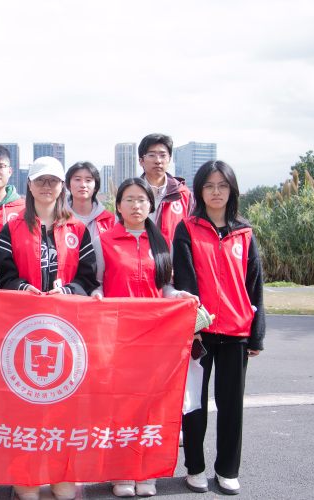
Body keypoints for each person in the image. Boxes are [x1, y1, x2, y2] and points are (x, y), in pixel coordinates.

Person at [0, 156, 98, 500]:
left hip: (67, 332)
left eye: (53, 181)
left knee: (64, 406)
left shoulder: (78, 229)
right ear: (29, 185)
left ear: (62, 186)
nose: (46, 186)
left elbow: (88, 278)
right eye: (40, 180)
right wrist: (23, 288)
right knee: (23, 405)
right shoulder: (11, 228)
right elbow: (2, 274)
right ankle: (25, 475)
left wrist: (67, 291)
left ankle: (61, 473)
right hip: (21, 331)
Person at [92, 177, 198, 497]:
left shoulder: (162, 241)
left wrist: (179, 296)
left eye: (141, 200)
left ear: (151, 206)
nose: (135, 205)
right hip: (118, 336)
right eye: (129, 199)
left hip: (155, 338)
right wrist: (97, 296)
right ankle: (122, 472)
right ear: (118, 206)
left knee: (153, 405)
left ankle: (147, 472)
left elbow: (165, 287)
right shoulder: (104, 240)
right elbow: (97, 282)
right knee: (120, 405)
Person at [172, 161, 265, 496]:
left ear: (232, 190)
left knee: (231, 406)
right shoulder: (187, 228)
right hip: (200, 333)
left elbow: (254, 285)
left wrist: (256, 333)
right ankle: (195, 468)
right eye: (209, 186)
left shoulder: (244, 231)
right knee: (194, 404)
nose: (216, 192)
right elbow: (185, 280)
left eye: (222, 186)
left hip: (237, 332)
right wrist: (192, 324)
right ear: (199, 191)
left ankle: (227, 470)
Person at [137, 134, 194, 247]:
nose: (158, 161)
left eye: (163, 155)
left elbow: (193, 232)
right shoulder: (131, 194)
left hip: (174, 257)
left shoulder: (183, 194)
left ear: (169, 160)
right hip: (139, 256)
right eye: (152, 155)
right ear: (141, 161)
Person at [65, 161, 115, 239]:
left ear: (95, 187)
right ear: (68, 185)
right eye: (77, 179)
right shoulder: (58, 218)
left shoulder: (111, 220)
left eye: (88, 180)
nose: (83, 185)